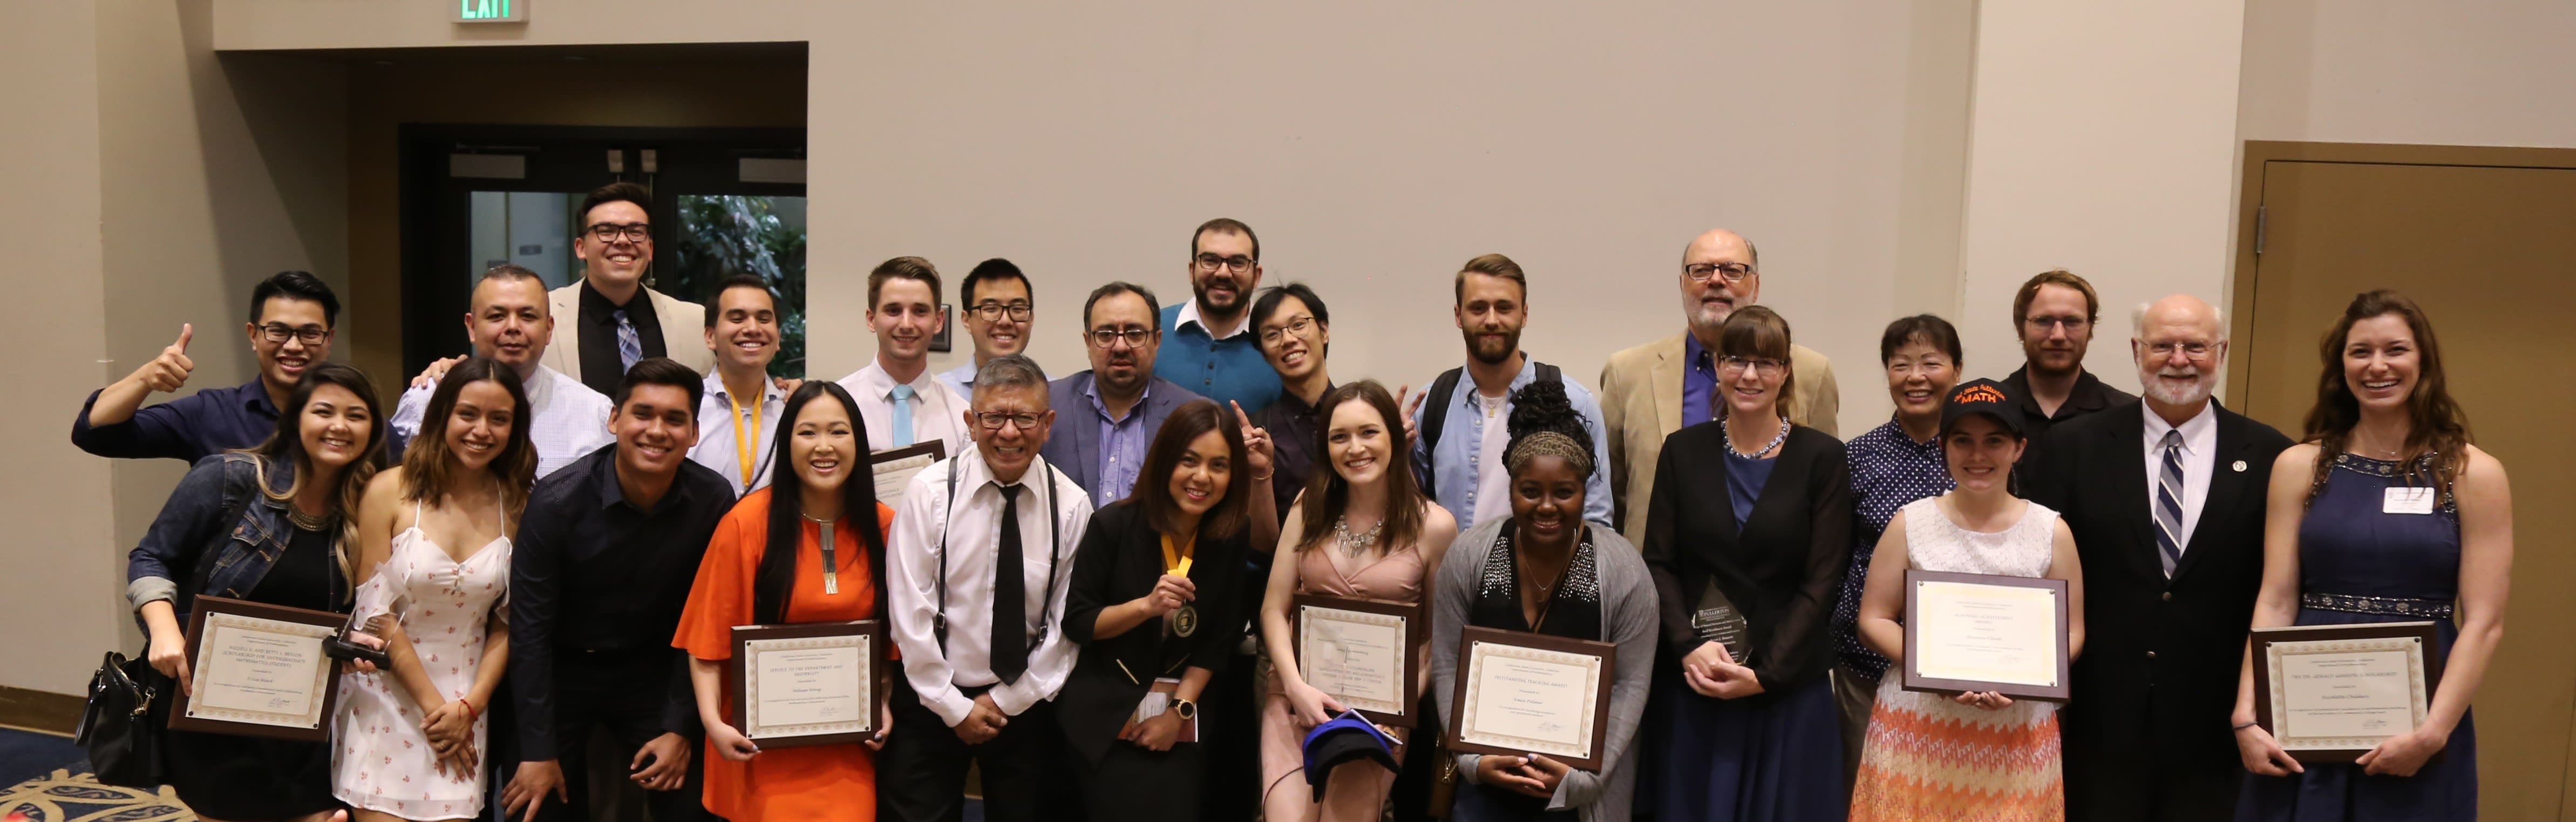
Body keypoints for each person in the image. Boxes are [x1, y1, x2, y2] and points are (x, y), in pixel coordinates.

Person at [2233, 291, 2510, 821]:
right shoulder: (2300, 465)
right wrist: (2247, 712)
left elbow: (2485, 622)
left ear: (2423, 360)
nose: (2378, 365)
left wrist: (2433, 732)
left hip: (2419, 713)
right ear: (2341, 366)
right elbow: (2275, 598)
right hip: (2305, 705)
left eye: (2395, 349)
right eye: (2361, 351)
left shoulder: (2473, 473)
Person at [2022, 294, 2292, 822]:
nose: (2179, 358)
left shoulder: (2272, 455)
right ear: (2136, 350)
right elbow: (2039, 573)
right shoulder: (2072, 446)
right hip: (2099, 717)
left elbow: (2280, 586)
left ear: (2222, 351)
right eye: (2163, 345)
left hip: (2215, 723)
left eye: (2196, 346)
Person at [126, 362, 383, 822]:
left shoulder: (363, 506)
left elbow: (337, 607)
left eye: (356, 415)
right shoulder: (230, 477)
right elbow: (150, 557)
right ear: (295, 419)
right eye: (324, 411)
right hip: (213, 703)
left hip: (299, 711)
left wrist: (352, 638)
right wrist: (164, 631)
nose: (340, 426)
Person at [1641, 305, 1853, 821]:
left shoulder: (1821, 457)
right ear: (1717, 365)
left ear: (1785, 372)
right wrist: (1689, 649)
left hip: (1786, 691)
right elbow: (1659, 562)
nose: (1750, 375)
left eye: (1766, 362)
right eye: (1736, 359)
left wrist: (1765, 673)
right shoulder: (1682, 451)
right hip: (1698, 682)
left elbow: (1823, 579)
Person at [503, 358, 735, 822]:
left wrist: (678, 726)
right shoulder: (555, 502)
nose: (656, 430)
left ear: (693, 433)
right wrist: (537, 748)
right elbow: (528, 632)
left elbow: (707, 621)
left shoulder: (713, 500)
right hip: (561, 668)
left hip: (655, 668)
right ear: (614, 420)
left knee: (695, 804)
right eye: (642, 414)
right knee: (534, 805)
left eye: (674, 419)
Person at [1849, 378, 2085, 820]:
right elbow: (1874, 618)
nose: (1978, 456)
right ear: (1943, 446)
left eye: (1994, 441)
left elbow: (2071, 630)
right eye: (1963, 441)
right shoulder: (1909, 523)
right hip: (1917, 727)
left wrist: (2027, 680)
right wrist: (1938, 672)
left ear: (2018, 447)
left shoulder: (2051, 530)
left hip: (2018, 732)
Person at [1429, 379, 1655, 822]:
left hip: (1579, 796)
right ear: (1511, 487)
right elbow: (1446, 663)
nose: (1546, 506)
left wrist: (1584, 779)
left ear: (1584, 492)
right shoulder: (1469, 555)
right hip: (1485, 791)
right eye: (1530, 491)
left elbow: (1631, 684)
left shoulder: (1624, 569)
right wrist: (1473, 762)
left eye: (1564, 492)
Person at [882, 355, 1093, 822]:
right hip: (931, 698)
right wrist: (952, 705)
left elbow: (1065, 625)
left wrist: (1004, 701)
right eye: (994, 417)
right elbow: (908, 612)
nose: (1009, 432)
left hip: (1024, 701)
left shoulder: (1073, 506)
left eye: (1024, 417)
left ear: (1048, 423)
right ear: (971, 423)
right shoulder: (930, 493)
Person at [672, 381, 896, 821]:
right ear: (786, 441)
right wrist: (712, 723)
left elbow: (886, 638)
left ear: (859, 441)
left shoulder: (884, 525)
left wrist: (883, 702)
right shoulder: (746, 523)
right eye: (808, 432)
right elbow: (707, 641)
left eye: (839, 431)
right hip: (759, 745)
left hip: (845, 746)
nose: (824, 446)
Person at [338, 357, 534, 821]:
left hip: (467, 700)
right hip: (386, 694)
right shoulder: (390, 490)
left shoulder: (521, 503)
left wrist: (470, 707)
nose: (481, 430)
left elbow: (509, 622)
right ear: (442, 414)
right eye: (468, 413)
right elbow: (375, 611)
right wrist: (436, 709)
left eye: (499, 418)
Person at [1256, 381, 1459, 822]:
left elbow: (1436, 637)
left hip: (1378, 715)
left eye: (1369, 432)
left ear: (1394, 436)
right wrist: (1294, 687)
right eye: (1339, 436)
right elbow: (1274, 609)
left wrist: (1398, 705)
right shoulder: (1307, 507)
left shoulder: (1435, 526)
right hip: (1295, 698)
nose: (1355, 448)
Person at [1058, 400, 1257, 820]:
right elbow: (1079, 623)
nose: (1202, 477)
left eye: (1219, 465)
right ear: (1165, 460)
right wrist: (1145, 606)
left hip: (1180, 713)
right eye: (1189, 461)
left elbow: (1219, 638)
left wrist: (1179, 712)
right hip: (1105, 710)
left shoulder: (1230, 534)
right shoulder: (1113, 524)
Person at [1600, 229, 1840, 546]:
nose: (1716, 280)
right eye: (1701, 270)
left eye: (1732, 270)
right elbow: (1608, 494)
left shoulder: (1812, 372)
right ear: (1682, 284)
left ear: (1755, 285)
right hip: (1656, 581)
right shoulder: (1627, 372)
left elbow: (1828, 496)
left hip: (1775, 583)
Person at [1826, 315, 1964, 786]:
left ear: (1957, 370)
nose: (1915, 377)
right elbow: (1834, 558)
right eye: (1900, 364)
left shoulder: (1979, 456)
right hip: (1867, 667)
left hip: (1964, 665)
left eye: (1930, 362)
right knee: (1871, 791)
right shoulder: (1855, 457)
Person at [1411, 254, 1612, 530]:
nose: (1492, 320)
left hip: (1543, 573)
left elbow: (1596, 522)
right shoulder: (1429, 405)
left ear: (1524, 314)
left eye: (1504, 308)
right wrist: (1393, 454)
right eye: (1478, 308)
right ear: (1459, 316)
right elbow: (1408, 517)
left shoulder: (1576, 402)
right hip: (1451, 572)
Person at [74, 270, 341, 461]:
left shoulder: (353, 421)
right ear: (253, 336)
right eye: (278, 331)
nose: (294, 346)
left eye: (310, 333)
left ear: (329, 339)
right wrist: (145, 379)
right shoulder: (212, 413)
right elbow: (94, 434)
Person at [391, 265, 615, 479]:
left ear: (548, 329)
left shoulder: (593, 413)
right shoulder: (425, 400)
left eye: (527, 316)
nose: (513, 327)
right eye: (497, 316)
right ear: (472, 327)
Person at [541, 181, 715, 396]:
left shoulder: (696, 322)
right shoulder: (542, 316)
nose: (623, 240)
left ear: (650, 249)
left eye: (636, 231)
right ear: (581, 248)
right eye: (606, 231)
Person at [1044, 282, 1206, 504]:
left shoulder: (1193, 415)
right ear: (1088, 342)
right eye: (1106, 334)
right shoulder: (1048, 405)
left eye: (1135, 334)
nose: (1120, 346)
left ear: (1157, 341)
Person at [837, 257, 973, 457]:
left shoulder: (961, 417)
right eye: (894, 311)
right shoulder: (839, 406)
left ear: (938, 321)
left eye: (919, 311)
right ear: (871, 319)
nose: (907, 324)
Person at [1999, 270, 2135, 470]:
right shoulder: (1991, 411)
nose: (2058, 335)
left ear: (2090, 330)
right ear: (2020, 328)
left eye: (2072, 322)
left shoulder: (2127, 417)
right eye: (2043, 321)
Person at [1156, 218, 1284, 412]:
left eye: (1238, 263)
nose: (1223, 273)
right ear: (1192, 270)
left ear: (1257, 276)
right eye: (1210, 261)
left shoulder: (1278, 343)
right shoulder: (1151, 330)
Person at [691, 274, 792, 494]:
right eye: (738, 319)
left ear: (778, 339)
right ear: (710, 337)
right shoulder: (688, 409)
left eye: (764, 320)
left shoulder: (794, 411)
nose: (753, 328)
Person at [1247, 283, 1337, 520]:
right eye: (1272, 335)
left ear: (1324, 331)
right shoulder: (1257, 432)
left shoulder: (1362, 414)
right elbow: (1259, 542)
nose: (1288, 340)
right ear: (1264, 354)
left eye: (1298, 325)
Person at [937, 259, 1044, 400]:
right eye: (991, 309)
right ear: (966, 320)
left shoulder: (1054, 394)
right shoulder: (941, 393)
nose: (1005, 321)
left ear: (1032, 319)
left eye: (1017, 309)